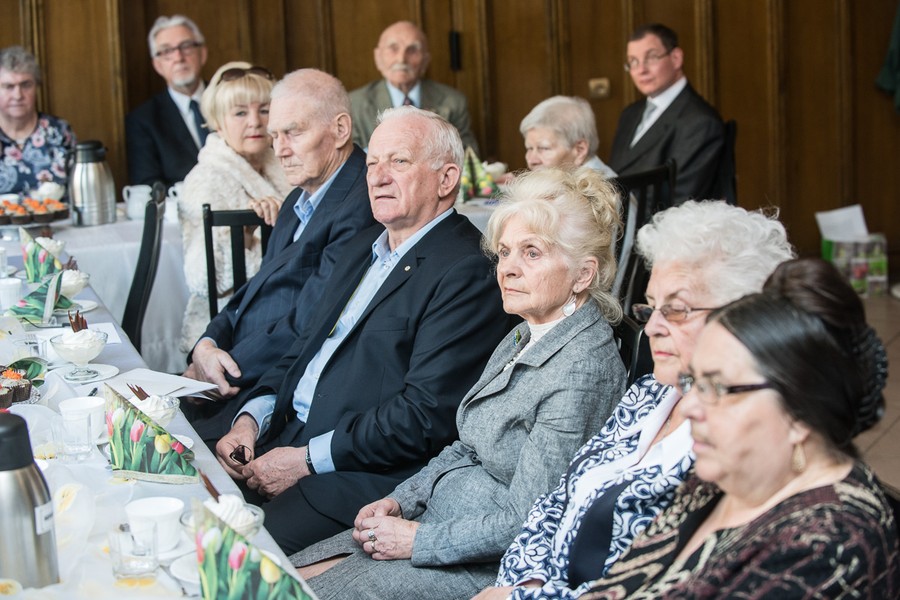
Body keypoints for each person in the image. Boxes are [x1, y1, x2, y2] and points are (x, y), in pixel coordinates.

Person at [293, 167, 629, 599]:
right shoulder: (528, 330)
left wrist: (415, 539)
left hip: (479, 564)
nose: (507, 269)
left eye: (532, 253)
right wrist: (401, 499)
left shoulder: (582, 370)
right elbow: (467, 442)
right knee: (287, 575)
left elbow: (529, 519)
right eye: (504, 252)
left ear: (583, 275)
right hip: (435, 520)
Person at [214, 106, 512, 554]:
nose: (377, 176)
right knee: (176, 491)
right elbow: (302, 348)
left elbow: (423, 416)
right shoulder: (363, 247)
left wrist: (305, 461)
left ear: (447, 180)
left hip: (353, 475)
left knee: (231, 555)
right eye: (372, 163)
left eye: (400, 162)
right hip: (280, 437)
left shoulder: (466, 270)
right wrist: (249, 421)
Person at [479, 200, 795, 600]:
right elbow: (555, 501)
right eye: (652, 307)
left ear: (744, 314)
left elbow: (671, 585)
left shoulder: (742, 439)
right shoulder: (651, 393)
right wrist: (521, 584)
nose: (654, 329)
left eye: (677, 310)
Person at [581, 257, 898, 598]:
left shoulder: (827, 545)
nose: (688, 406)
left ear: (799, 411)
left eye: (716, 388)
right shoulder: (723, 474)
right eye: (694, 382)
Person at [181, 68, 375, 440]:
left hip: (272, 384)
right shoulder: (298, 196)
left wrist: (220, 369)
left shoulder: (359, 204)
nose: (280, 149)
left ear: (340, 130)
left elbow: (310, 323)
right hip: (233, 366)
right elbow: (252, 291)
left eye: (293, 132)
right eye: (275, 136)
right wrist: (206, 344)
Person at [177, 61, 291, 353]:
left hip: (286, 311)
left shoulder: (285, 163)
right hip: (228, 328)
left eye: (264, 110)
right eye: (240, 112)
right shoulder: (205, 181)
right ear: (218, 121)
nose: (255, 121)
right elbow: (203, 280)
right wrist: (245, 230)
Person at [609, 23, 724, 204]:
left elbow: (681, 202)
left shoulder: (700, 122)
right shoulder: (629, 114)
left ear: (676, 58)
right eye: (633, 61)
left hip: (658, 228)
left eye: (651, 58)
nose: (641, 70)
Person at [349, 20, 479, 152]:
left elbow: (468, 156)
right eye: (393, 49)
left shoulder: (453, 101)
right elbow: (352, 160)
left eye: (412, 50)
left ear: (425, 60)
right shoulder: (355, 104)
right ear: (378, 57)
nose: (401, 59)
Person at [126, 14, 208, 186]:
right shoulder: (143, 120)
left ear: (202, 53)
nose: (178, 57)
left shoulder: (231, 100)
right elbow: (148, 183)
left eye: (186, 46)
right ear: (157, 65)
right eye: (167, 51)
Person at [0, 46, 76, 196]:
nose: (18, 95)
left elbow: (80, 192)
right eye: (9, 86)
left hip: (57, 219)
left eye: (26, 85)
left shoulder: (60, 132)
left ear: (36, 87)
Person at [520, 96, 615, 178]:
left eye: (544, 148)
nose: (532, 161)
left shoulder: (600, 193)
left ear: (580, 150)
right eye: (529, 148)